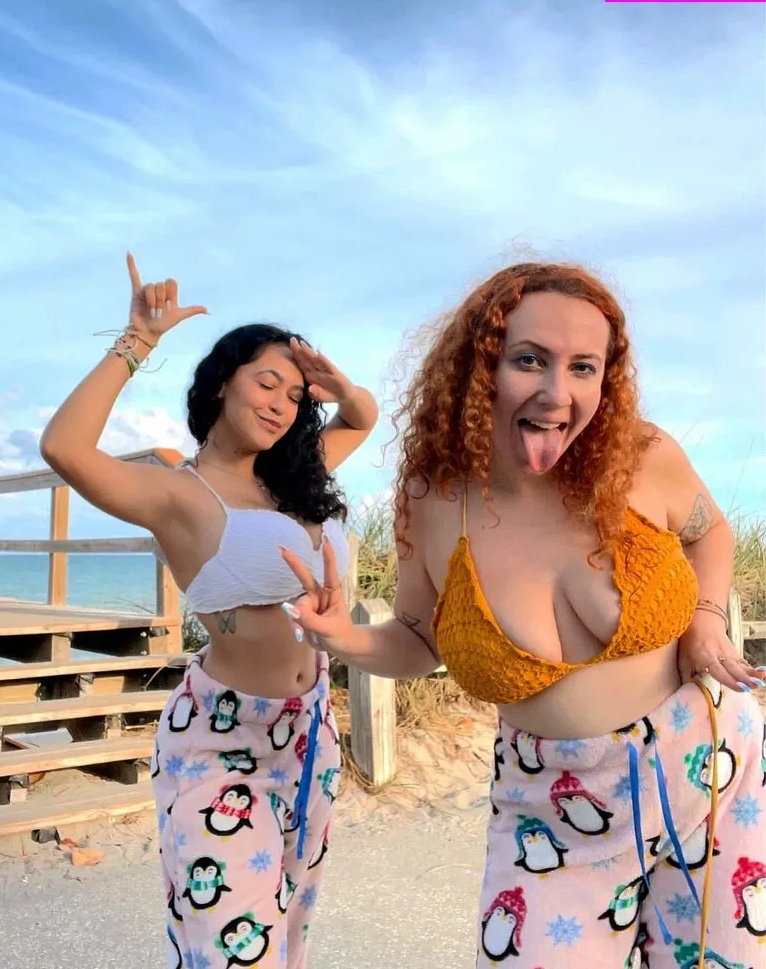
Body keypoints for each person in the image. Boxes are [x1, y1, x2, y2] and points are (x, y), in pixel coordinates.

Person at [280, 262, 766, 969]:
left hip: (710, 769)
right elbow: (417, 639)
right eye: (530, 360)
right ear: (479, 367)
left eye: (583, 367)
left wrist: (706, 618)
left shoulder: (641, 456)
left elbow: (709, 532)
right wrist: (343, 639)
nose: (556, 393)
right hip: (553, 811)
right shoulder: (435, 498)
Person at [40, 253, 379, 969]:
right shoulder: (179, 493)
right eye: (266, 382)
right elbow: (64, 448)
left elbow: (363, 417)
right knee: (232, 950)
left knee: (287, 934)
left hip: (312, 732)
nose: (281, 403)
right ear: (223, 382)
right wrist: (139, 340)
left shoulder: (296, 479)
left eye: (295, 395)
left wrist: (339, 387)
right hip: (220, 742)